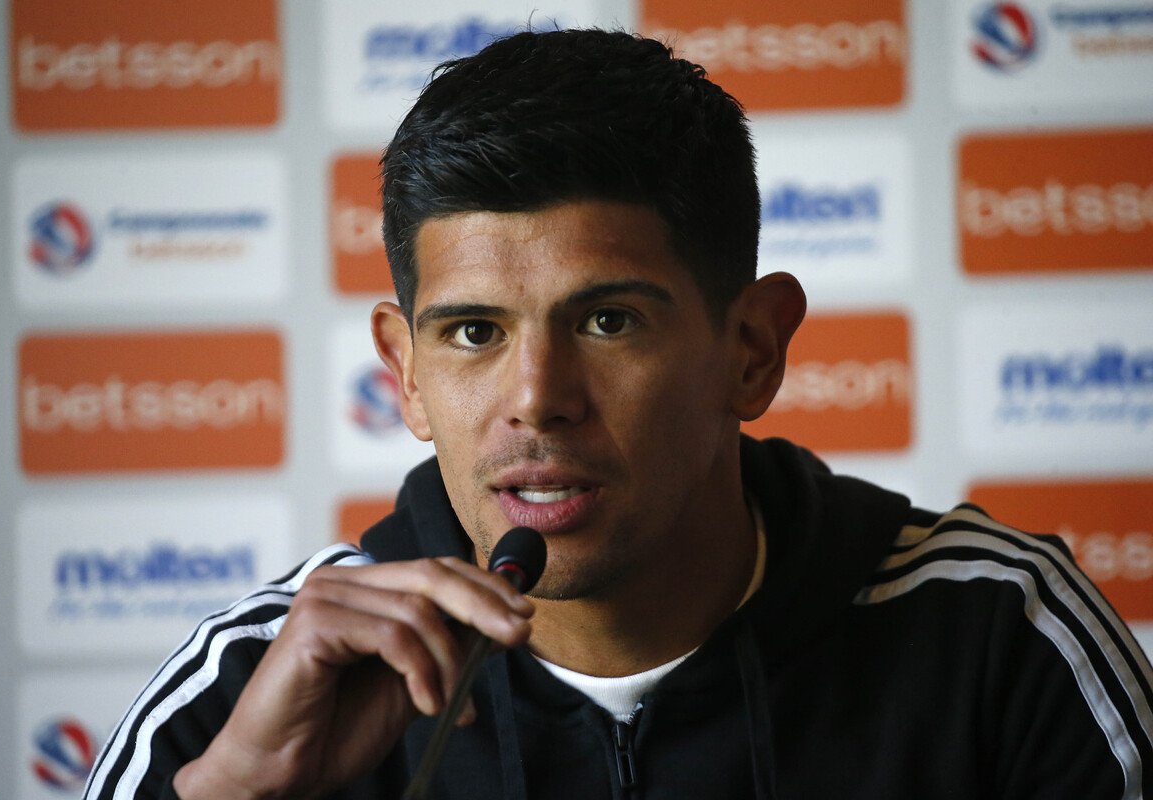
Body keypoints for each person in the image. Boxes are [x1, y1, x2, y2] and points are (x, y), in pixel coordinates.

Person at [83, 29, 1153, 800]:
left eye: (606, 320)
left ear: (751, 349)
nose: (537, 397)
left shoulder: (998, 636)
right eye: (471, 333)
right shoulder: (259, 683)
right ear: (403, 373)